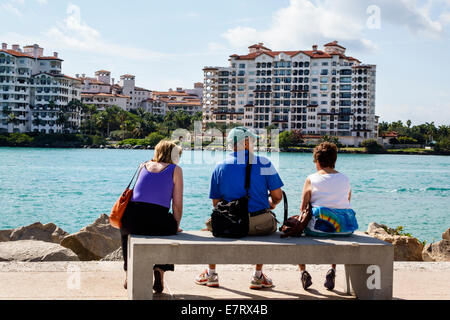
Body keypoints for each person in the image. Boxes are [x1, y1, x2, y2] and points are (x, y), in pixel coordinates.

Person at [195, 127, 284, 290]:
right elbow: (278, 196)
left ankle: (211, 273)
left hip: (231, 223)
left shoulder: (219, 167)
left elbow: (216, 204)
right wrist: (271, 204)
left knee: (214, 222)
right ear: (245, 142)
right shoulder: (264, 162)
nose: (255, 145)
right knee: (269, 221)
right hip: (259, 225)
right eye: (253, 141)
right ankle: (257, 277)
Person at [120, 140, 184, 293]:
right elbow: (177, 204)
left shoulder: (142, 166)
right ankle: (160, 270)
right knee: (169, 232)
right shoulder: (175, 170)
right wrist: (176, 224)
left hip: (132, 218)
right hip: (158, 219)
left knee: (125, 232)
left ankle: (129, 273)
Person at [298, 142, 358, 291]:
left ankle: (303, 272)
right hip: (345, 229)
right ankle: (332, 270)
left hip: (319, 229)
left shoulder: (311, 178)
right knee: (334, 226)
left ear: (317, 161)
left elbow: (303, 208)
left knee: (298, 232)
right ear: (334, 161)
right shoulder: (345, 179)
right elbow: (345, 202)